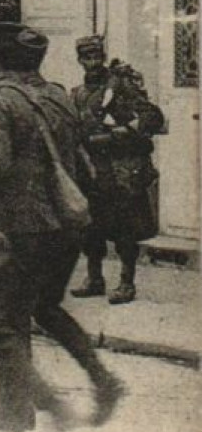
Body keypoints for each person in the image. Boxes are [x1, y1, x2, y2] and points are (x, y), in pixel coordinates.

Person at [0, 23, 124, 432]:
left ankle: (44, 408)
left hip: (15, 230)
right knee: (31, 312)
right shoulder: (57, 95)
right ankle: (92, 385)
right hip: (64, 227)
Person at [69, 35, 165, 305]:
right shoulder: (77, 94)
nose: (93, 61)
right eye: (87, 57)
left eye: (97, 55)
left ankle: (126, 283)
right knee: (92, 228)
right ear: (79, 60)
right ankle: (95, 279)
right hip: (92, 170)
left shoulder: (121, 86)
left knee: (125, 229)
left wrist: (116, 136)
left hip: (120, 168)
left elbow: (152, 117)